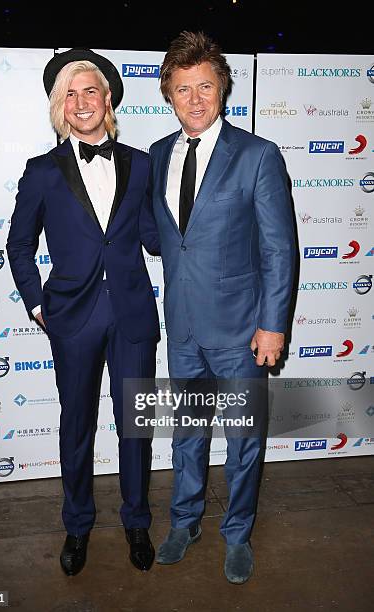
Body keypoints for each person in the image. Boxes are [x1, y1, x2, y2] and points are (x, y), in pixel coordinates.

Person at [148, 31, 295, 584]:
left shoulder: (258, 156)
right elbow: (164, 238)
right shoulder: (159, 155)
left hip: (241, 332)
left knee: (242, 440)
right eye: (183, 89)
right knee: (186, 434)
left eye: (204, 85)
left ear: (222, 88)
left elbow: (280, 248)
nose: (194, 98)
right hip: (182, 326)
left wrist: (272, 326)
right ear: (169, 94)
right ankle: (184, 522)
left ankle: (237, 534)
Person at [6, 48, 160, 576]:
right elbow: (19, 244)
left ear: (108, 97)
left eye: (89, 90)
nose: (80, 101)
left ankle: (137, 521)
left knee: (134, 425)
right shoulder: (41, 172)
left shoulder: (141, 163)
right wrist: (34, 302)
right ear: (59, 107)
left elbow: (152, 235)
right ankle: (77, 525)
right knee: (76, 426)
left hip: (134, 313)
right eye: (68, 94)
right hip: (71, 316)